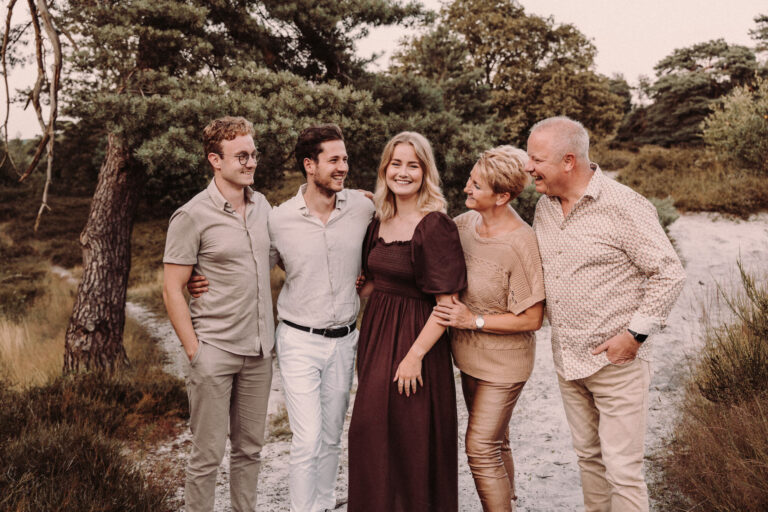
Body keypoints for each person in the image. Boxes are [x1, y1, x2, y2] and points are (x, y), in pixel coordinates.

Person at [188, 124, 375, 512]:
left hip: (345, 339)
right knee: (306, 439)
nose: (343, 167)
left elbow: (393, 239)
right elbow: (252, 265)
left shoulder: (363, 206)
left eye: (345, 159)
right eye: (334, 160)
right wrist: (198, 278)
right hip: (297, 339)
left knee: (330, 436)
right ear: (310, 165)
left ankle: (323, 503)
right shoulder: (279, 218)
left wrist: (370, 279)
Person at [526, 116, 685, 511]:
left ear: (568, 161)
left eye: (536, 159)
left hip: (618, 365)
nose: (528, 167)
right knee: (589, 461)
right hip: (567, 361)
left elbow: (669, 272)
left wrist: (634, 336)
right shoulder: (543, 208)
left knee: (623, 471)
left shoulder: (623, 205)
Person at [348, 131, 467, 512]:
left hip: (417, 344)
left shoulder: (435, 225)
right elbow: (376, 282)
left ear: (424, 172)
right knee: (370, 436)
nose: (403, 172)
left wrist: (414, 356)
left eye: (412, 165)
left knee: (410, 443)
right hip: (376, 338)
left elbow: (447, 306)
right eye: (395, 163)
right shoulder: (377, 221)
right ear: (384, 169)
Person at [163, 116, 274, 512]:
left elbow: (282, 255)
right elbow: (172, 288)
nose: (250, 163)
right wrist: (196, 352)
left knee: (250, 451)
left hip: (260, 352)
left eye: (253, 154)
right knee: (206, 455)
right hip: (215, 351)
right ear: (215, 159)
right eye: (241, 156)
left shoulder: (262, 207)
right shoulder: (191, 215)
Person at [432, 146, 545, 512]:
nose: (466, 188)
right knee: (499, 442)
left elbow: (532, 318)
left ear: (502, 196)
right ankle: (507, 502)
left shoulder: (521, 243)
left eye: (476, 185)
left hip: (504, 366)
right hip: (466, 358)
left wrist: (474, 320)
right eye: (470, 178)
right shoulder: (464, 225)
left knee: (480, 449)